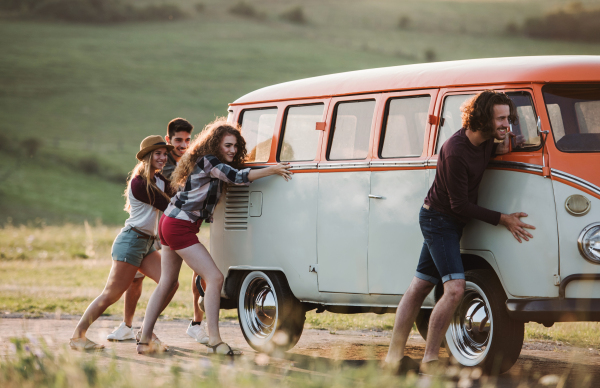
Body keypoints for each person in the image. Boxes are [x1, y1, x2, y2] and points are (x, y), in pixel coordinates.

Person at [384, 90, 535, 373]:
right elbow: (460, 205)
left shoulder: (487, 141)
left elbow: (500, 148)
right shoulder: (455, 151)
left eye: (508, 118)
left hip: (448, 221)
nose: (506, 123)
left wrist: (511, 138)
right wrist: (504, 219)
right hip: (439, 220)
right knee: (454, 290)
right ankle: (430, 361)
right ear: (482, 118)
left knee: (419, 286)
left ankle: (393, 359)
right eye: (500, 118)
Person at [136, 118, 292, 355]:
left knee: (167, 282)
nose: (232, 150)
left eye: (235, 146)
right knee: (215, 278)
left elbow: (234, 174)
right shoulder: (209, 161)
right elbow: (237, 178)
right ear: (215, 145)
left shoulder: (208, 161)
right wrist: (273, 169)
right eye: (227, 145)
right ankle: (215, 341)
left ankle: (144, 338)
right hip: (179, 225)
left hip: (170, 220)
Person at [70, 135, 179, 351]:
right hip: (131, 242)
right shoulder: (139, 183)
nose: (163, 158)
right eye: (158, 154)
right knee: (112, 294)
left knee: (170, 283)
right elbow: (170, 205)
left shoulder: (160, 180)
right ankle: (78, 336)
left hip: (146, 244)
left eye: (165, 154)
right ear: (147, 156)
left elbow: (178, 196)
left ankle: (146, 332)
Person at [106, 119, 207, 344]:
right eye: (178, 140)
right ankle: (128, 326)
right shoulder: (161, 167)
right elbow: (167, 198)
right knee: (135, 281)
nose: (183, 144)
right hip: (157, 231)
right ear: (169, 140)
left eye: (187, 140)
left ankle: (196, 323)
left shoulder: (190, 162)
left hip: (169, 230)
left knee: (188, 273)